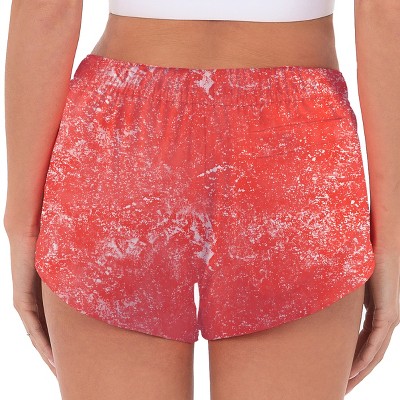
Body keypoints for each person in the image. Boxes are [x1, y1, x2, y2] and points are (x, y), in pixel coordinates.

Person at [4, 0, 399, 399]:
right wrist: (391, 237)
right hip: (295, 144)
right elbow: (384, 11)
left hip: (123, 137)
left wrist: (22, 223)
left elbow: (47, 9)